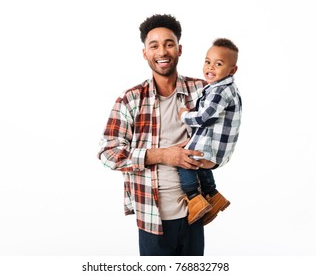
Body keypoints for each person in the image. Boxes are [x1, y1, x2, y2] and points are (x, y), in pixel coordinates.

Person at [97, 14, 211, 256]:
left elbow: (225, 135)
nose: (163, 51)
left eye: (169, 44)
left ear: (179, 49)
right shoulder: (130, 99)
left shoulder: (202, 91)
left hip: (195, 210)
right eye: (154, 45)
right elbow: (108, 154)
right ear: (145, 53)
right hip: (151, 215)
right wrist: (162, 156)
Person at [177, 38, 242, 226]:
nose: (210, 67)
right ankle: (213, 196)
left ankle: (195, 198)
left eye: (218, 64)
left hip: (211, 146)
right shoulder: (225, 88)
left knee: (184, 160)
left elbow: (204, 118)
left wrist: (184, 115)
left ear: (232, 70)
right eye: (207, 62)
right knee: (199, 164)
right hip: (217, 148)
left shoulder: (220, 91)